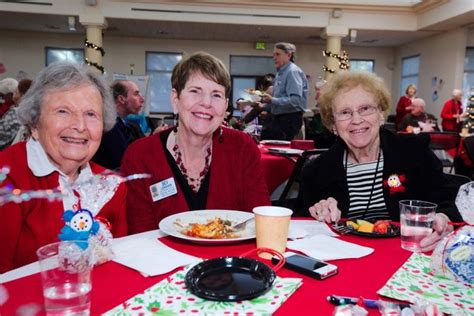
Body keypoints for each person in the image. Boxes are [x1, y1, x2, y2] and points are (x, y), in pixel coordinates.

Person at [298, 71, 462, 252]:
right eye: (345, 112)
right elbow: (303, 224)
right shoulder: (317, 171)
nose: (357, 120)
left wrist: (444, 218)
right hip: (344, 261)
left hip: (409, 255)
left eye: (365, 109)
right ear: (333, 125)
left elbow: (452, 200)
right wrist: (318, 211)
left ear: (381, 114)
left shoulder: (413, 152)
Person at [121, 52, 270, 234]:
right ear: (175, 100)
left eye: (216, 95)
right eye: (195, 91)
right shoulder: (140, 156)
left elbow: (260, 223)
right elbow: (140, 238)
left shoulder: (242, 149)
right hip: (163, 261)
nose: (206, 103)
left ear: (225, 106)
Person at [0, 63, 127, 273]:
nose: (79, 125)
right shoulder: (8, 178)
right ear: (34, 124)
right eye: (62, 111)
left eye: (91, 114)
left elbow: (121, 264)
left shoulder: (111, 186)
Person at [92, 80, 146, 170]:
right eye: (136, 94)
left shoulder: (120, 123)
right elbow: (123, 162)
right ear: (121, 99)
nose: (142, 99)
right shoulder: (110, 127)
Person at [260, 42, 308, 141]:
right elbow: (280, 98)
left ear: (289, 55)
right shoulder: (280, 73)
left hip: (289, 119)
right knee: (265, 138)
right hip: (279, 118)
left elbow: (295, 101)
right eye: (273, 54)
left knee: (276, 147)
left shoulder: (292, 72)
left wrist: (272, 100)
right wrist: (265, 106)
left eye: (277, 54)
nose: (274, 58)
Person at [0, 79, 32, 149]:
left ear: (20, 94)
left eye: (15, 91)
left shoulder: (16, 113)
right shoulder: (31, 112)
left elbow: (1, 134)